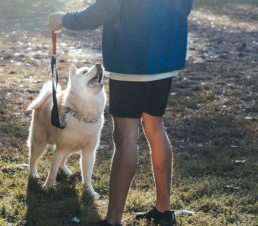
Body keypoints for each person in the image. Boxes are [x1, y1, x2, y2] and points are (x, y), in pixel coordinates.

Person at [48, 0, 193, 225]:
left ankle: (113, 220)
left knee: (125, 136)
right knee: (155, 127)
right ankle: (163, 211)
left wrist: (64, 19)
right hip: (166, 54)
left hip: (131, 58)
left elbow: (105, 8)